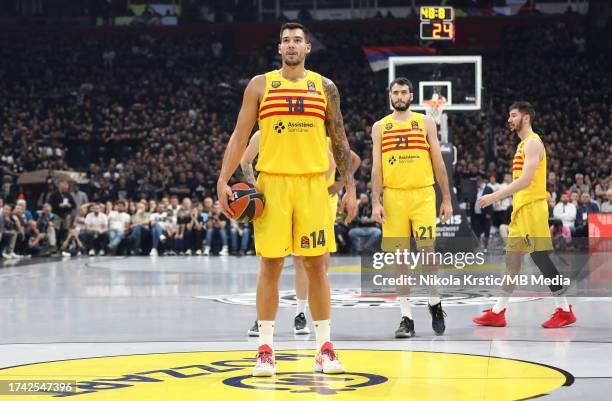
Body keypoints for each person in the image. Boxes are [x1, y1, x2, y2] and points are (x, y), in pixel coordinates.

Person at [216, 22, 357, 377]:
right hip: (273, 186)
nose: (292, 45)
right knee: (271, 266)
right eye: (286, 41)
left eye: (298, 41)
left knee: (316, 267)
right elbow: (239, 134)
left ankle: (324, 348)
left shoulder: (325, 87)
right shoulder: (260, 85)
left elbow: (339, 140)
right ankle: (265, 350)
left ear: (308, 47)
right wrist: (222, 178)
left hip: (312, 185)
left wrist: (351, 187)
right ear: (279, 48)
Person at [240, 130, 360, 337]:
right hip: (278, 198)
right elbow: (245, 161)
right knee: (272, 262)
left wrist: (338, 185)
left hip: (318, 199)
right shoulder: (266, 135)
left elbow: (351, 160)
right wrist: (255, 190)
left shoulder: (321, 138)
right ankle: (265, 318)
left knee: (312, 260)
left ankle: (302, 313)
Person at [473, 101, 576, 328]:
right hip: (521, 210)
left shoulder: (532, 143)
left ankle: (565, 309)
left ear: (526, 117)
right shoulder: (522, 145)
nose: (509, 119)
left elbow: (526, 180)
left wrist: (494, 196)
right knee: (512, 261)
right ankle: (498, 311)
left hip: (532, 208)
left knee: (540, 258)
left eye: (513, 115)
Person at [370, 77, 453, 338]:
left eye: (404, 92)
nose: (400, 96)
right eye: (395, 92)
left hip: (423, 195)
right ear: (390, 95)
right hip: (394, 197)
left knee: (428, 253)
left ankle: (434, 301)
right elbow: (376, 167)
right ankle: (406, 318)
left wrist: (447, 199)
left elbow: (438, 162)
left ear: (411, 94)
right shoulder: (380, 127)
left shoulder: (426, 122)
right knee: (400, 260)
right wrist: (375, 201)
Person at [472, 176, 494, 251]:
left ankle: (486, 247)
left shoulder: (488, 189)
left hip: (486, 214)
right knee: (477, 230)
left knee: (486, 230)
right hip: (478, 213)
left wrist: (489, 213)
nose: (476, 184)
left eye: (477, 183)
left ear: (479, 182)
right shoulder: (477, 190)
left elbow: (491, 201)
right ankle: (477, 246)